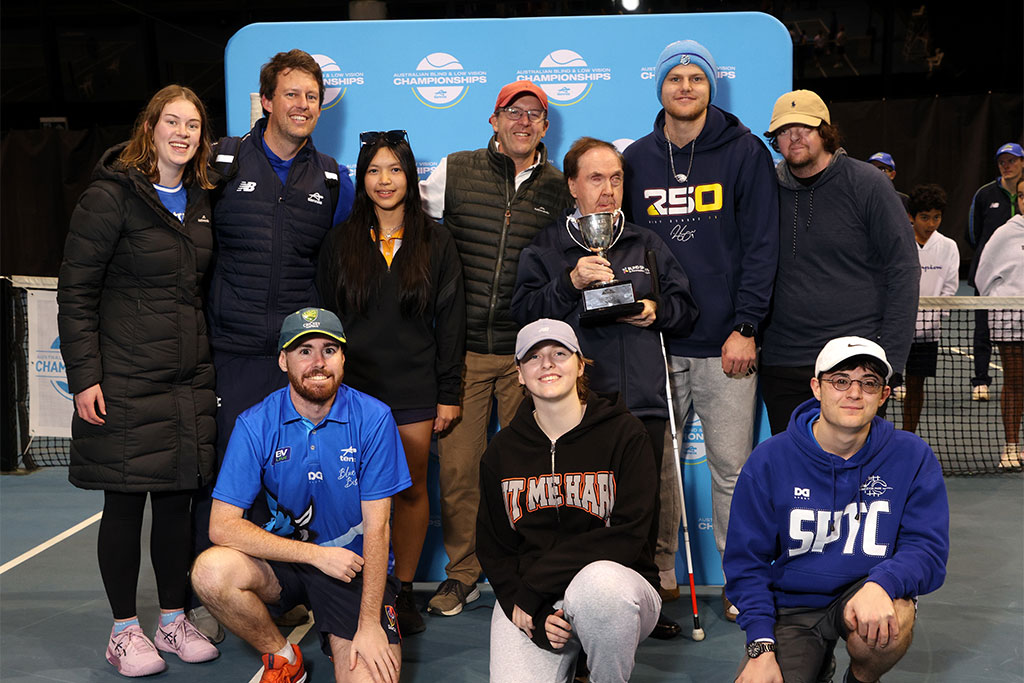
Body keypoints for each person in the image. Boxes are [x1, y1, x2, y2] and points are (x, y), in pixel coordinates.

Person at [57, 84, 220, 676]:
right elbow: (76, 293)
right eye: (172, 121)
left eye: (194, 125)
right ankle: (124, 630)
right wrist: (84, 376)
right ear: (149, 127)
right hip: (123, 379)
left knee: (176, 506)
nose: (183, 133)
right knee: (124, 505)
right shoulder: (110, 198)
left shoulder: (203, 198)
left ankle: (172, 620)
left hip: (186, 382)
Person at [193, 48, 356, 638]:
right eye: (291, 94)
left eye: (311, 96)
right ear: (265, 102)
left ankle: (286, 588)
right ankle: (209, 599)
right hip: (232, 350)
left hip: (297, 359)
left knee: (291, 477)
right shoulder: (222, 161)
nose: (303, 105)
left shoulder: (334, 177)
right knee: (226, 477)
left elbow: (339, 263)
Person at [512, 136, 699, 639]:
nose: (608, 189)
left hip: (641, 399)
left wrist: (658, 311)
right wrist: (570, 283)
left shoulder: (646, 243)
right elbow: (525, 315)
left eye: (616, 178)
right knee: (584, 508)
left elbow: (685, 309)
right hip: (577, 408)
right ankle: (572, 601)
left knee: (639, 508)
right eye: (596, 179)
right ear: (572, 185)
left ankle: (641, 604)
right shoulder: (549, 247)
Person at [622, 39, 779, 621]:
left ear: (711, 86)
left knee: (733, 468)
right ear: (659, 88)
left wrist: (746, 326)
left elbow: (762, 248)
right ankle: (656, 577)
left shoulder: (744, 154)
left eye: (696, 78)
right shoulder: (636, 158)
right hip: (655, 342)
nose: (685, 87)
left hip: (725, 345)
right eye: (674, 78)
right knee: (654, 467)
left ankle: (741, 580)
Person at [419, 80, 574, 617]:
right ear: (494, 119)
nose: (523, 121)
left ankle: (532, 569)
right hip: (462, 353)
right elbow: (406, 223)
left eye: (535, 113)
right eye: (514, 111)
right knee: (460, 473)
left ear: (545, 127)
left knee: (532, 470)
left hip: (529, 357)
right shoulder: (454, 170)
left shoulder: (560, 188)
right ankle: (463, 573)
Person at [190, 308, 411, 683]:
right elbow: (222, 527)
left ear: (343, 359)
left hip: (351, 568)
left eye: (329, 350)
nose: (318, 362)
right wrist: (316, 555)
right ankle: (283, 659)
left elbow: (378, 530)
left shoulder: (374, 418)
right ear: (283, 360)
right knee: (210, 572)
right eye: (304, 351)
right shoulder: (256, 423)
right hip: (289, 561)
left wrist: (370, 623)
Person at [724, 337, 949, 683]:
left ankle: (860, 679)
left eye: (869, 383)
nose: (855, 393)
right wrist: (760, 646)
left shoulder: (912, 455)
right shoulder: (770, 459)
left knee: (895, 617)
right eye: (841, 381)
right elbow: (746, 563)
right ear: (817, 388)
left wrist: (883, 584)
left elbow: (928, 551)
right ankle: (815, 661)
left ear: (884, 396)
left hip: (866, 590)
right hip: (793, 604)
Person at [317, 129, 466, 635]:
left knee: (408, 489)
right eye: (374, 170)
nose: (384, 181)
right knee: (349, 490)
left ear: (410, 177)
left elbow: (450, 323)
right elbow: (325, 323)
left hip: (414, 389)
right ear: (362, 179)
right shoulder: (339, 243)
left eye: (395, 169)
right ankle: (354, 586)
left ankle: (399, 593)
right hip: (352, 390)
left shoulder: (437, 240)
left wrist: (448, 392)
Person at [476, 319, 661, 683]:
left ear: (580, 365)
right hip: (535, 601)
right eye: (533, 357)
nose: (547, 364)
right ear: (519, 374)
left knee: (599, 586)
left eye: (559, 353)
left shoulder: (626, 434)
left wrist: (533, 587)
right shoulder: (502, 451)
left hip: (617, 590)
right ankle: (569, 660)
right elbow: (494, 547)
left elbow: (627, 536)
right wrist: (530, 607)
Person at [760, 90, 919, 435]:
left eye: (806, 127)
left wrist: (889, 360)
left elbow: (903, 271)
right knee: (796, 479)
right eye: (785, 131)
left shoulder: (869, 184)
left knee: (859, 475)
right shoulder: (765, 188)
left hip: (856, 366)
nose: (795, 137)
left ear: (825, 132)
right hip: (783, 362)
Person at [896, 184, 959, 433]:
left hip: (928, 334)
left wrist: (934, 318)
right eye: (925, 217)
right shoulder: (899, 241)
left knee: (915, 387)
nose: (931, 223)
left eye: (937, 217)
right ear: (911, 217)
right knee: (880, 385)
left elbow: (950, 288)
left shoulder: (948, 247)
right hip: (896, 330)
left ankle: (908, 436)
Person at [965, 142, 1022, 402]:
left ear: (1022, 163)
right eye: (1002, 162)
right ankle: (980, 380)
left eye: (1012, 161)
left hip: (1017, 284)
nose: (1007, 166)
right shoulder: (985, 194)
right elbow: (973, 233)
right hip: (989, 276)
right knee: (982, 330)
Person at [975, 177, 1024, 468]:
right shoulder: (1005, 233)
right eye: (1021, 196)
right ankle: (1010, 446)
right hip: (1010, 321)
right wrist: (1002, 304)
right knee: (1015, 382)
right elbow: (983, 276)